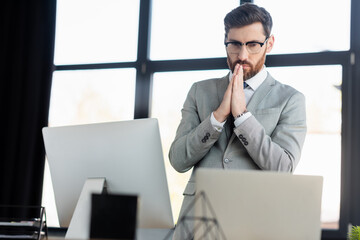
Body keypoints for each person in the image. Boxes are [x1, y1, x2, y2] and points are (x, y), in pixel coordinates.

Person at [168, 3, 307, 239]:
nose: (242, 55)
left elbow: (284, 168)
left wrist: (242, 116)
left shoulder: (290, 99)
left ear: (269, 44)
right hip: (195, 225)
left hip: (255, 222)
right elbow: (178, 160)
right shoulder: (198, 91)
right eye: (234, 44)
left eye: (253, 45)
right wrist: (216, 117)